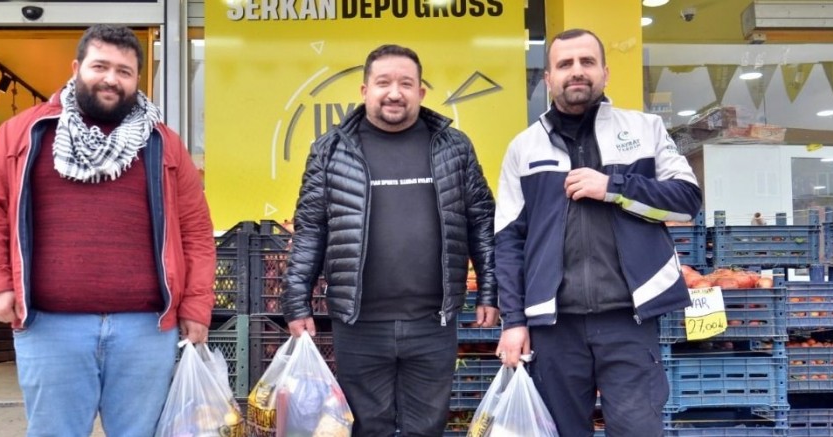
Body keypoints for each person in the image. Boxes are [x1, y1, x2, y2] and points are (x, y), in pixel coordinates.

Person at [0, 24, 216, 437]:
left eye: (124, 71)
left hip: (146, 330)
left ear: (137, 79)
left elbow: (196, 231)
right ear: (76, 68)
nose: (111, 79)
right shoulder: (24, 133)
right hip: (50, 328)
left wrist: (196, 306)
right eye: (100, 66)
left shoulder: (164, 144)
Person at [494, 29, 702, 436]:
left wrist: (614, 187)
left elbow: (686, 200)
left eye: (587, 62)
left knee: (638, 431)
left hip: (629, 320)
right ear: (548, 78)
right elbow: (508, 241)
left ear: (605, 72)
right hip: (554, 327)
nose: (577, 71)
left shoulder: (645, 129)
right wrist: (513, 321)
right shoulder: (523, 147)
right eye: (565, 64)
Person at [282, 44, 498, 436]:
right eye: (383, 83)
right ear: (365, 90)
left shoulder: (454, 147)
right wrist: (297, 301)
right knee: (367, 428)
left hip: (433, 322)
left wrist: (489, 291)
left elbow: (481, 221)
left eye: (406, 84)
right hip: (358, 323)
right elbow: (311, 228)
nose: (394, 93)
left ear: (421, 92)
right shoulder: (330, 151)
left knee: (426, 429)